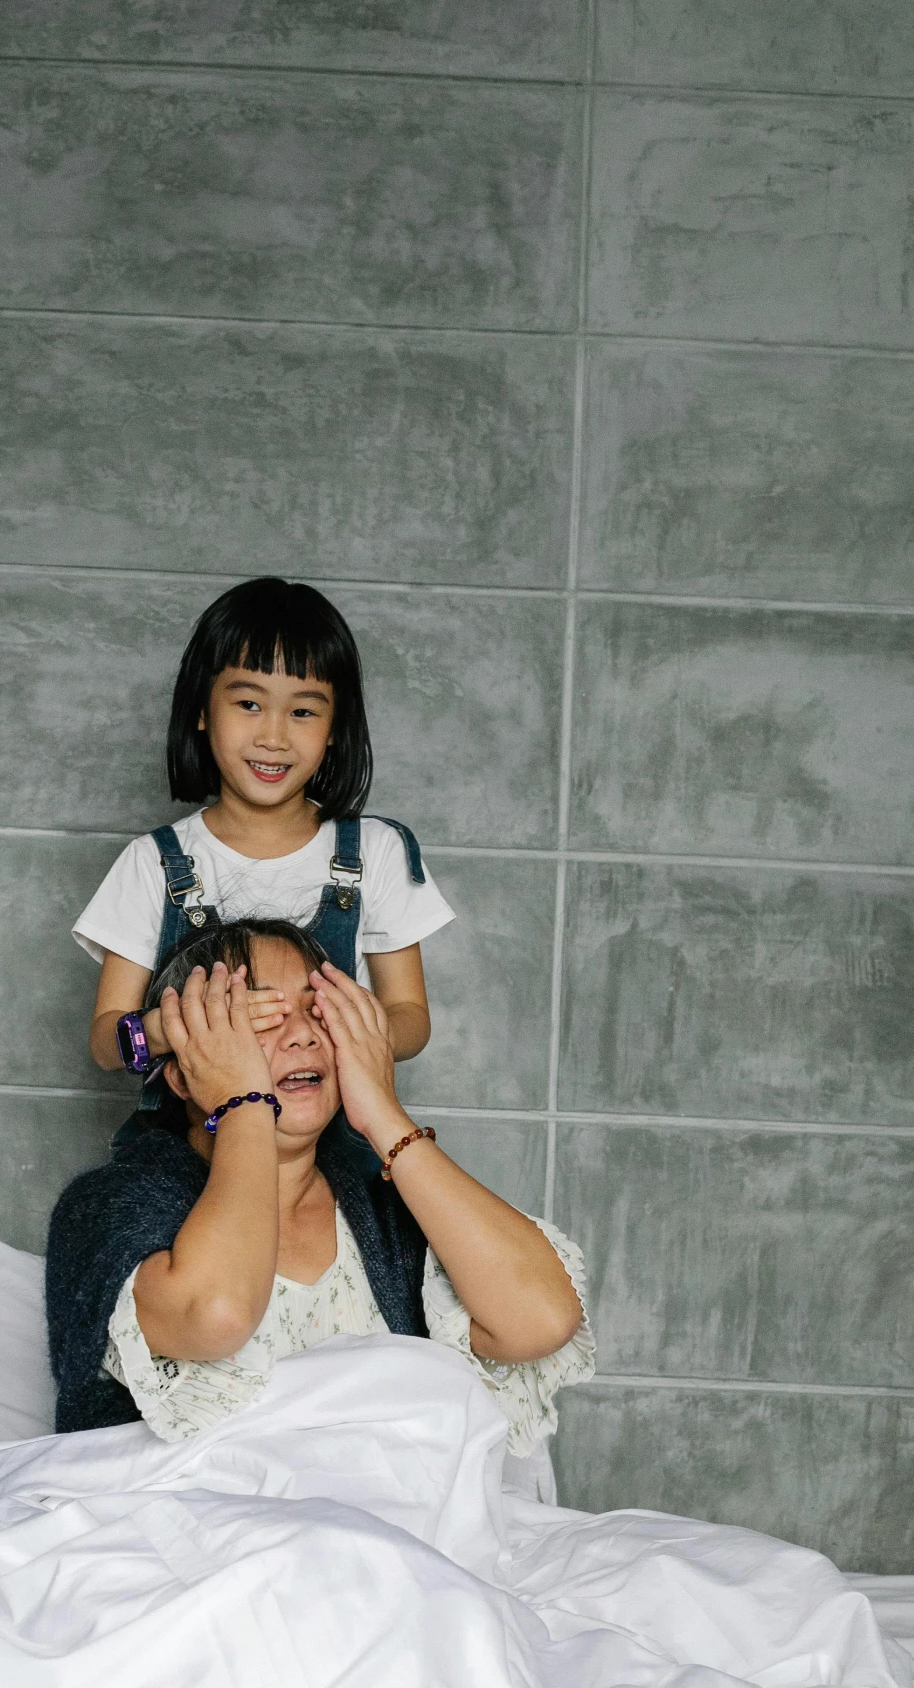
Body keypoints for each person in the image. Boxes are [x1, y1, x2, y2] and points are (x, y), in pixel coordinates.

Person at [47, 920, 594, 1494]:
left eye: (319, 1013)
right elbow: (218, 1313)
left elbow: (542, 1319)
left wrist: (382, 1113)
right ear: (182, 1073)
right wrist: (243, 1104)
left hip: (387, 1551)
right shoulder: (106, 1209)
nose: (303, 1036)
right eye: (261, 1016)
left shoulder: (390, 1211)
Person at [75, 578, 454, 1108]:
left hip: (331, 1137)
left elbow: (411, 1016)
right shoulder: (153, 863)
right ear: (202, 711)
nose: (273, 737)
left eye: (302, 711)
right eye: (249, 704)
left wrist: (338, 1030)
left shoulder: (376, 853)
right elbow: (105, 1041)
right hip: (188, 1150)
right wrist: (176, 1025)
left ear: (335, 729)